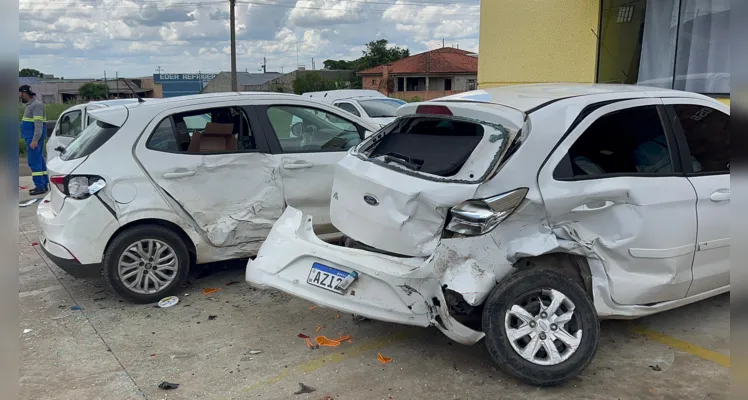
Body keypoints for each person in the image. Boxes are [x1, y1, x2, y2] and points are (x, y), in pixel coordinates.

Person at [19, 85, 48, 195]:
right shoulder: (31, 105)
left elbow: (38, 124)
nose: (20, 96)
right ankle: (44, 184)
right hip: (31, 138)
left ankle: (39, 186)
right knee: (39, 161)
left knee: (34, 162)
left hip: (33, 139)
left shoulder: (36, 105)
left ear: (24, 93)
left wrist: (35, 139)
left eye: (20, 94)